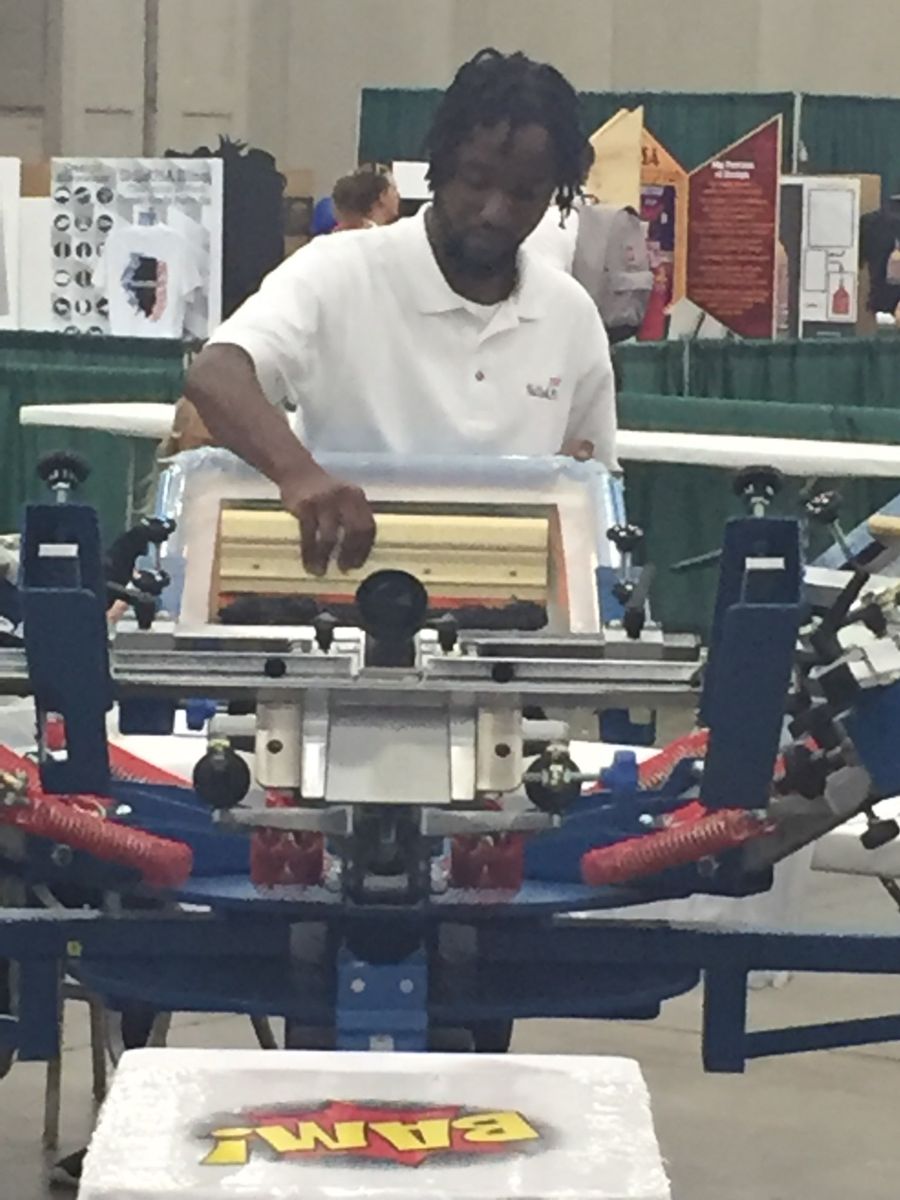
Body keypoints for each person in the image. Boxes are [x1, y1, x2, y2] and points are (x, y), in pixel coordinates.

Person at [184, 47, 617, 580]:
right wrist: (300, 476)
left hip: (506, 620)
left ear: (556, 193)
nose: (495, 211)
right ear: (439, 167)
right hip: (340, 609)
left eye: (524, 193)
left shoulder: (570, 315)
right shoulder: (339, 269)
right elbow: (216, 372)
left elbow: (590, 483)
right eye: (477, 181)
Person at [332, 168, 401, 230]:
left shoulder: (338, 234)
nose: (398, 195)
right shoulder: (376, 238)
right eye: (394, 189)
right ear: (382, 196)